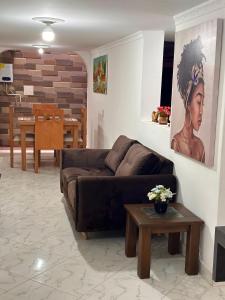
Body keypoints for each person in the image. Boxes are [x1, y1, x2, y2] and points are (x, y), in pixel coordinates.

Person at [171, 36, 206, 163]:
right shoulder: (176, 143)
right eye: (198, 102)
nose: (201, 110)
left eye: (203, 103)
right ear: (187, 102)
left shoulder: (200, 147)